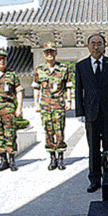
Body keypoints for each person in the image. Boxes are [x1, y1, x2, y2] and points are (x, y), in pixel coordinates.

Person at [75, 34, 108, 193]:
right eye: (93, 44)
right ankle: (94, 179)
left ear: (105, 46)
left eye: (99, 44)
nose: (96, 47)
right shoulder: (81, 66)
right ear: (88, 46)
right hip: (91, 113)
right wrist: (80, 112)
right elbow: (78, 91)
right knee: (93, 147)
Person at [32, 42, 73, 171]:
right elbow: (36, 88)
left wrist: (69, 101)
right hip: (45, 105)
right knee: (48, 132)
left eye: (52, 52)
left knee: (59, 131)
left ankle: (61, 158)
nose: (49, 54)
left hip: (58, 104)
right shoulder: (39, 70)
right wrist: (36, 103)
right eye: (47, 52)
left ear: (56, 53)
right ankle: (52, 158)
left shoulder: (63, 68)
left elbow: (68, 86)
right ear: (44, 54)